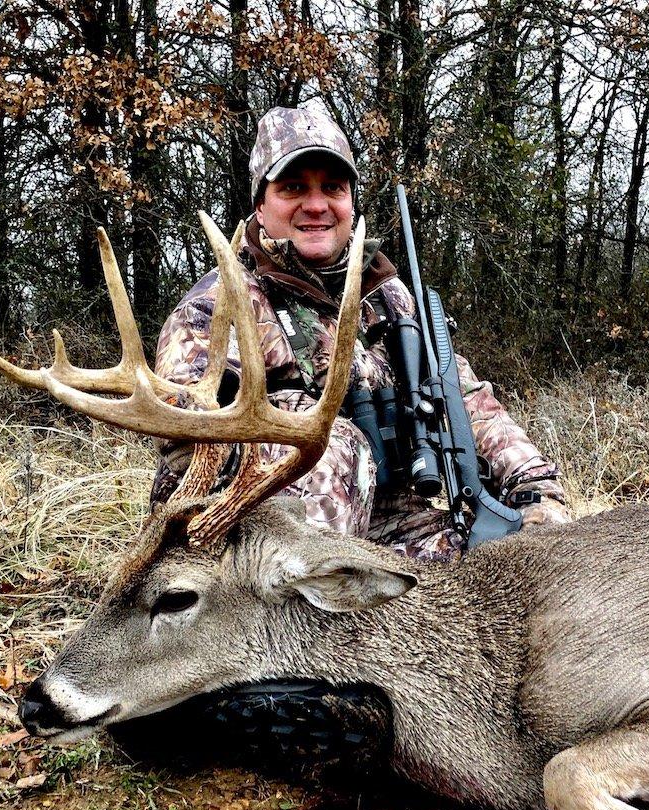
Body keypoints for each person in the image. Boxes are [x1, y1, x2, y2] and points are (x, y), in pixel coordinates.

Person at [151, 101, 570, 561]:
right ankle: (303, 619)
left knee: (498, 561)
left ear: (350, 200)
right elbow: (182, 447)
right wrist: (309, 431)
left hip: (389, 517)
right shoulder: (216, 306)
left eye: (332, 187)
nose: (316, 206)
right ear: (260, 203)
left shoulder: (389, 297)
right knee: (322, 433)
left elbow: (464, 398)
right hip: (246, 545)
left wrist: (534, 486)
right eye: (293, 188)